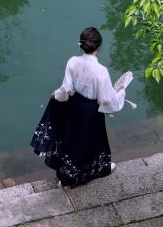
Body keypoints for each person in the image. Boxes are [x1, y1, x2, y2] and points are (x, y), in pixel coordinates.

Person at [30, 26, 130, 187]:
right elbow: (107, 101)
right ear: (99, 46)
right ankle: (98, 169)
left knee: (71, 138)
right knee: (91, 140)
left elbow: (67, 90)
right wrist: (121, 92)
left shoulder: (73, 61)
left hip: (73, 105)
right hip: (91, 111)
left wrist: (56, 95)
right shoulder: (101, 71)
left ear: (81, 44)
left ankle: (66, 175)